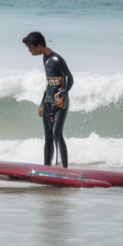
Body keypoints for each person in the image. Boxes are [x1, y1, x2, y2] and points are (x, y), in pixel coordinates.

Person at [22, 32, 74, 168]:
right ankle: (47, 168)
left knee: (57, 134)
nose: (29, 50)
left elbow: (69, 78)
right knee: (48, 138)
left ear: (39, 46)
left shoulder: (57, 59)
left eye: (30, 47)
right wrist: (41, 103)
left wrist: (63, 96)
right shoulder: (45, 59)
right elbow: (49, 84)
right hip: (48, 102)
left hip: (60, 102)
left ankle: (65, 168)